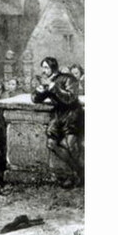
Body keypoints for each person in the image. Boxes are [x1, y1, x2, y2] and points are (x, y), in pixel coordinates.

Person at [32, 57, 85, 188]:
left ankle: (80, 175)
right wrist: (38, 92)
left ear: (53, 68)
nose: (43, 71)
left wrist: (54, 88)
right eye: (42, 67)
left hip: (72, 115)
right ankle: (77, 172)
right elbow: (35, 99)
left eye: (46, 67)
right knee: (51, 144)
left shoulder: (68, 78)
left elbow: (70, 99)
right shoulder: (48, 81)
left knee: (71, 145)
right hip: (58, 116)